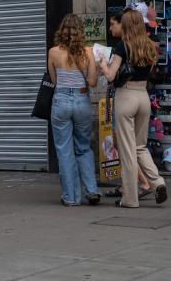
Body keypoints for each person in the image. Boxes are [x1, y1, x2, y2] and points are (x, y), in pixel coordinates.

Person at [98, 9, 167, 208]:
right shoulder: (150, 46)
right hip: (143, 96)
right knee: (140, 147)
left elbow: (110, 76)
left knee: (127, 151)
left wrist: (103, 63)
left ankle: (130, 198)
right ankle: (157, 182)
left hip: (126, 96)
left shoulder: (122, 46)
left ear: (127, 25)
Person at [48, 14, 100, 206]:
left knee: (64, 150)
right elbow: (93, 83)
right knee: (84, 147)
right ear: (80, 31)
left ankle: (71, 197)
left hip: (61, 100)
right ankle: (92, 190)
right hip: (81, 101)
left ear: (62, 31)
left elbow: (54, 81)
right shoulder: (88, 53)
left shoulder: (53, 52)